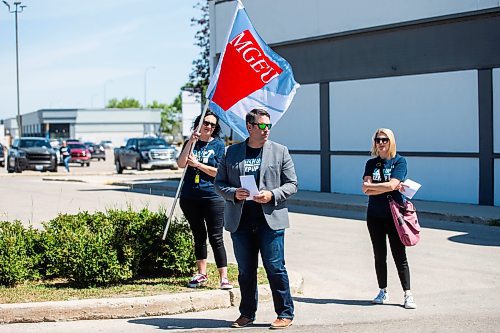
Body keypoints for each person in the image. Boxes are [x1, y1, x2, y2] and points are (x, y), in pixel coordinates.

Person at [215, 108, 297, 329]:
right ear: (249, 127)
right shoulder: (231, 153)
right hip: (241, 222)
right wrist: (234, 193)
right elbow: (219, 184)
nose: (266, 130)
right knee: (245, 271)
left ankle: (285, 313)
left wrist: (272, 194)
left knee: (275, 268)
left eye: (268, 125)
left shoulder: (280, 151)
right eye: (262, 126)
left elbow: (292, 184)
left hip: (270, 221)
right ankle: (247, 313)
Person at [177, 110, 233, 290]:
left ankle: (223, 277)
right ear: (199, 123)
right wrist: (191, 141)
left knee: (216, 237)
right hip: (190, 196)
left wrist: (199, 165)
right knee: (198, 235)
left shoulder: (218, 145)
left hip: (212, 196)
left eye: (212, 125)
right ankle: (201, 273)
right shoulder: (190, 143)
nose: (208, 126)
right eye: (206, 123)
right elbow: (181, 163)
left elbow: (220, 173)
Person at [362, 128, 417, 309]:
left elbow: (393, 184)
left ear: (391, 141)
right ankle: (382, 291)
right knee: (379, 255)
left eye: (384, 140)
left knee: (399, 256)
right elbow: (365, 188)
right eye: (378, 140)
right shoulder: (371, 163)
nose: (381, 143)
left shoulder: (399, 161)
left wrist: (377, 187)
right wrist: (389, 187)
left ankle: (408, 294)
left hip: (395, 216)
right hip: (374, 215)